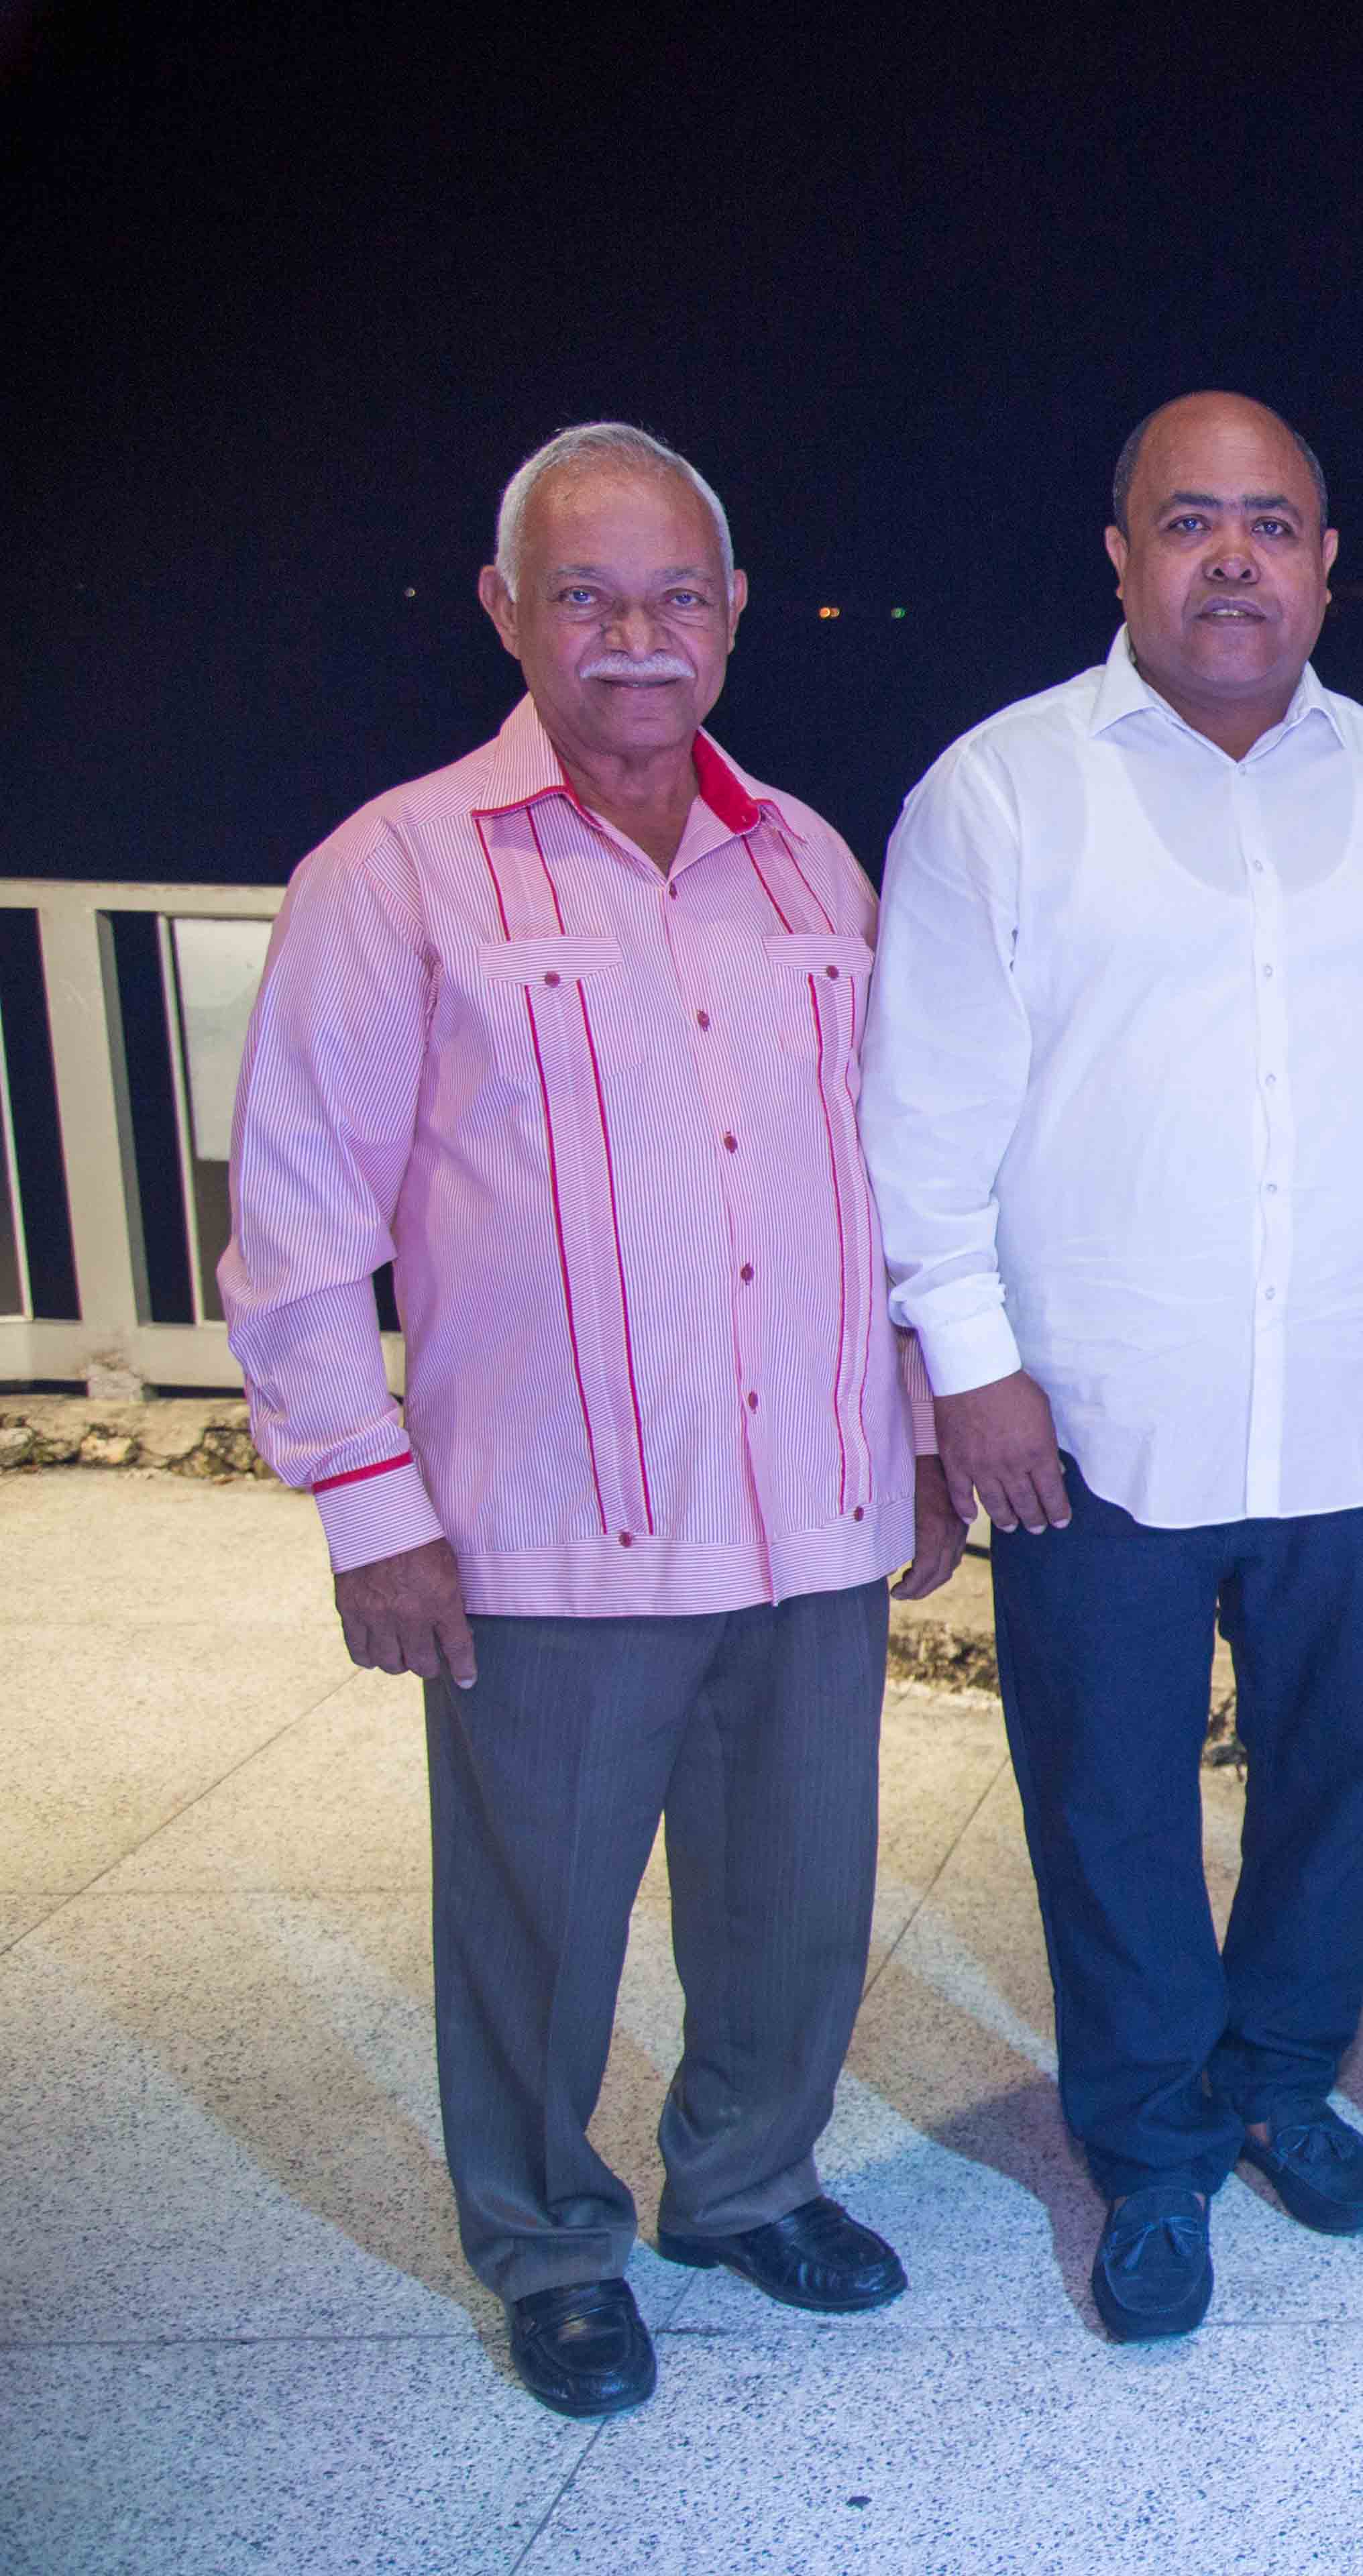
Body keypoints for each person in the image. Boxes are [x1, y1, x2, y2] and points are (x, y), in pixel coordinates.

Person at [220, 423, 963, 2419]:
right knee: (540, 1919)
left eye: (673, 597)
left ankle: (741, 2182)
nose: (635, 637)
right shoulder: (393, 872)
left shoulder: (810, 856)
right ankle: (550, 2238)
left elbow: (880, 1169)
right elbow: (296, 1219)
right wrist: (368, 1503)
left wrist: (910, 1428)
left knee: (796, 1900)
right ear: (507, 612)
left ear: (731, 617)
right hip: (550, 1516)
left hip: (806, 1501)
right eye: (585, 596)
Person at [862, 394, 1363, 2344]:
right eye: (1188, 522)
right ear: (1116, 556)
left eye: (1271, 524)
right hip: (1092, 1424)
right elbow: (927, 1116)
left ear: (1324, 561)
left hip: (1358, 1408)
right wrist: (973, 1367)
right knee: (1110, 1801)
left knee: (1331, 1781)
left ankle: (1285, 2085)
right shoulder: (998, 793)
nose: (1232, 558)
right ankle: (1146, 2148)